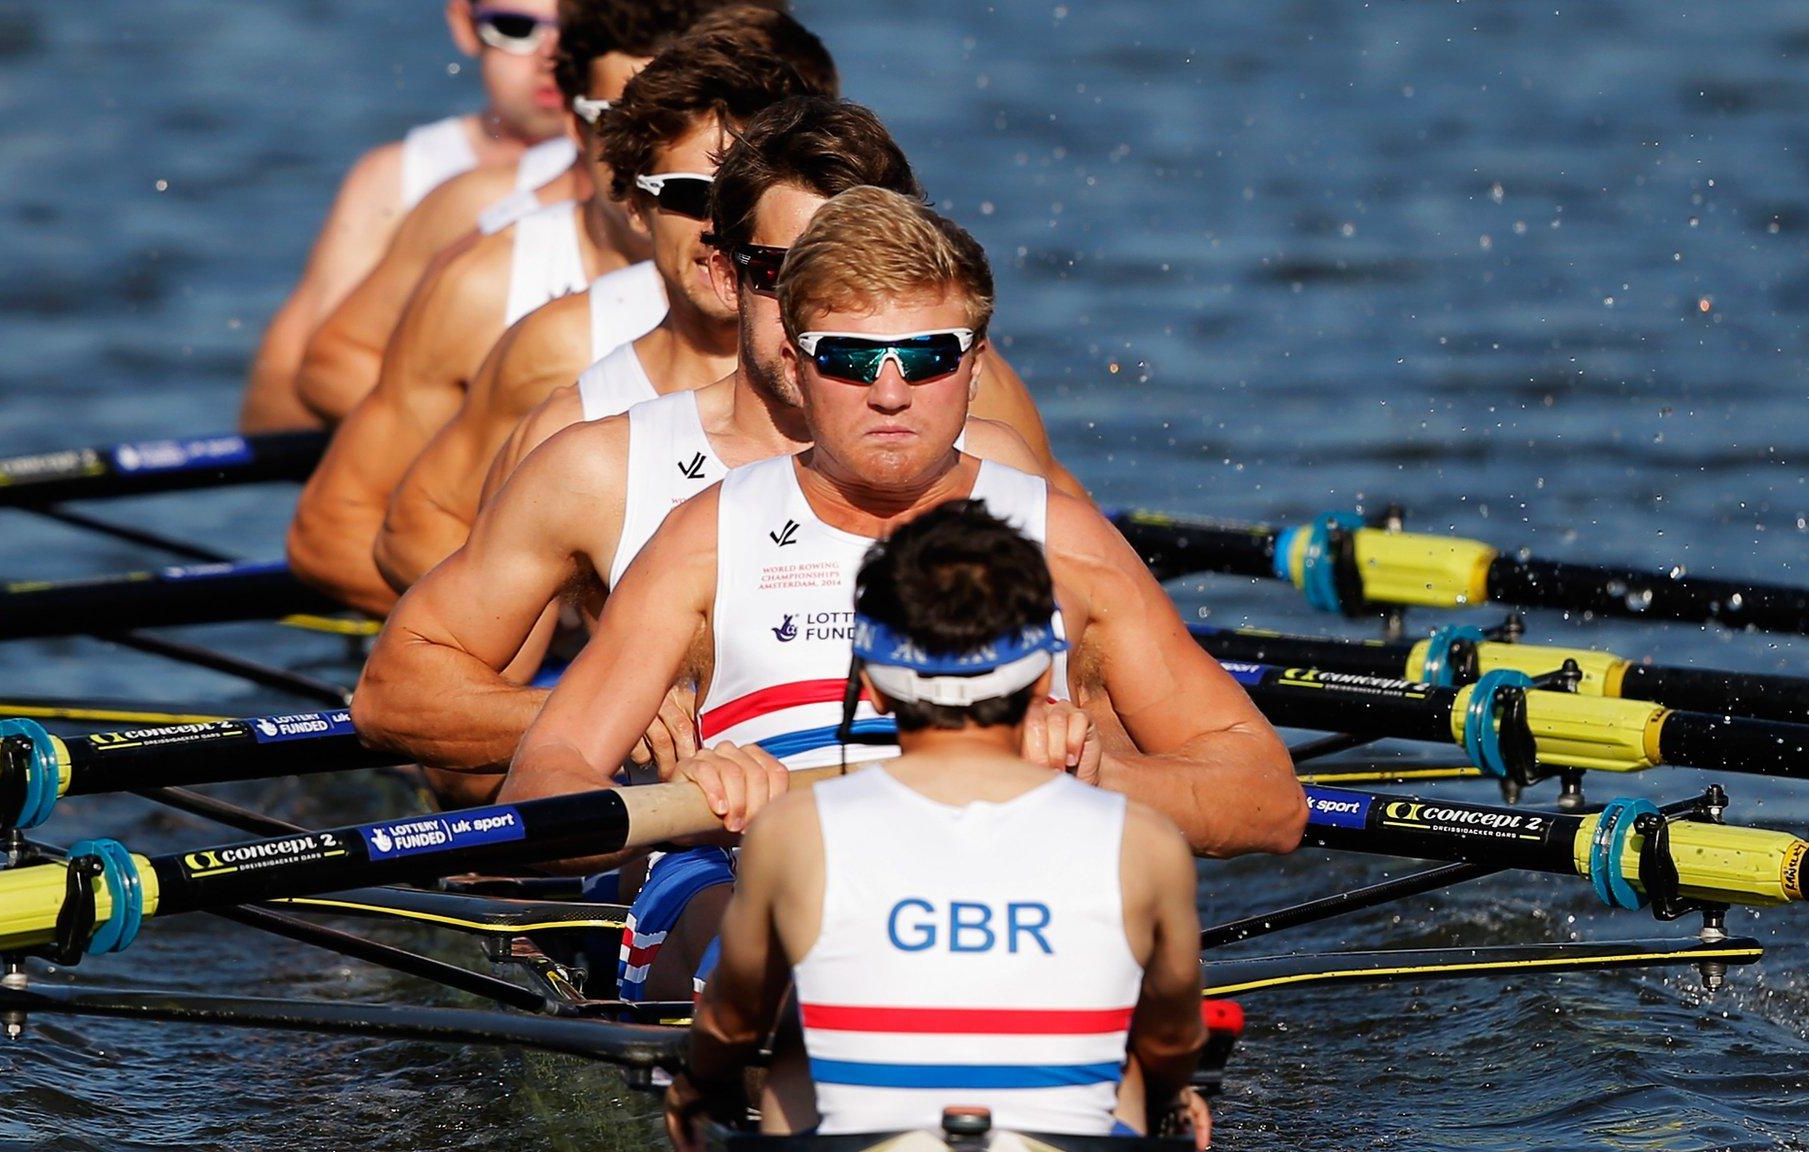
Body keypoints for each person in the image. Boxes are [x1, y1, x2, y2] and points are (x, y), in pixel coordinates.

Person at [499, 186, 1305, 999]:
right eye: (850, 358)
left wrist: (1098, 778)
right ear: (797, 360)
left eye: (928, 356)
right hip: (740, 873)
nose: (890, 393)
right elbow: (541, 784)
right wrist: (684, 797)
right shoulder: (705, 537)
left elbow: (1269, 800)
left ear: (977, 362)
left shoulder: (1066, 540)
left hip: (1000, 884)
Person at [351, 99, 1049, 805]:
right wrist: (607, 720)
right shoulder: (602, 468)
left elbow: (1123, 704)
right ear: (724, 271)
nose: (824, 310)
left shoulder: (994, 454)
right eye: (789, 274)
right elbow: (394, 693)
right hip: (695, 869)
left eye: (862, 280)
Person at [664, 501, 1211, 1148]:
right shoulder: (1143, 839)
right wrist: (1174, 1091)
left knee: (792, 1047)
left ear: (868, 683)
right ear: (1042, 681)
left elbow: (733, 1023)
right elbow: (1175, 1034)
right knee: (1130, 1059)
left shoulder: (792, 829)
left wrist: (694, 1086)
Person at [286, 2, 813, 615]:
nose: (716, 222)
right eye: (616, 117)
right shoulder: (503, 284)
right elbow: (345, 522)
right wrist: (537, 610)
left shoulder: (883, 319)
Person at [239, 0, 573, 432]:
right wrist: (472, 449)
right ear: (464, 25)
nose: (552, 54)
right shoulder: (397, 177)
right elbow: (282, 399)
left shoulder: (659, 167)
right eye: (515, 27)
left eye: (580, 28)